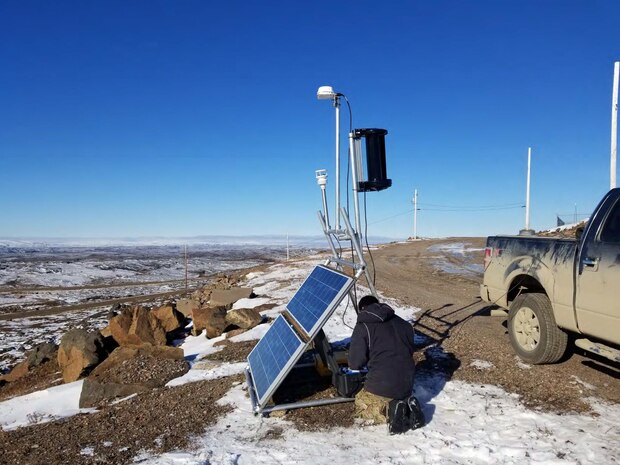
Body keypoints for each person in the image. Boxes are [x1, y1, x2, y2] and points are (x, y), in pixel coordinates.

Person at [348, 295, 416, 425]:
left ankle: (392, 414)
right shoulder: (405, 324)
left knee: (363, 403)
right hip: (408, 382)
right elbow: (408, 350)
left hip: (382, 384)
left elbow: (355, 363)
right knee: (394, 388)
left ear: (362, 309)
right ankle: (407, 407)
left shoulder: (364, 327)